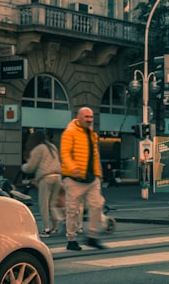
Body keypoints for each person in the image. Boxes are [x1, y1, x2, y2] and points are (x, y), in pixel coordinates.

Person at [60, 107, 106, 251]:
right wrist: (73, 168)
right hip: (74, 179)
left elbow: (95, 155)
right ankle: (71, 239)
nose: (89, 119)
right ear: (79, 117)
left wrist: (99, 174)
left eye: (91, 117)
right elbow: (65, 153)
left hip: (91, 179)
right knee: (72, 210)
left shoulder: (92, 134)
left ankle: (92, 236)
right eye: (86, 117)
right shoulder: (70, 132)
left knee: (97, 206)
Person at [21, 130, 63, 237]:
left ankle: (46, 229)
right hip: (57, 177)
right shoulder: (53, 147)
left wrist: (23, 167)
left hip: (46, 178)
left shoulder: (39, 149)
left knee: (44, 204)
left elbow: (31, 167)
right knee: (53, 203)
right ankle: (59, 223)